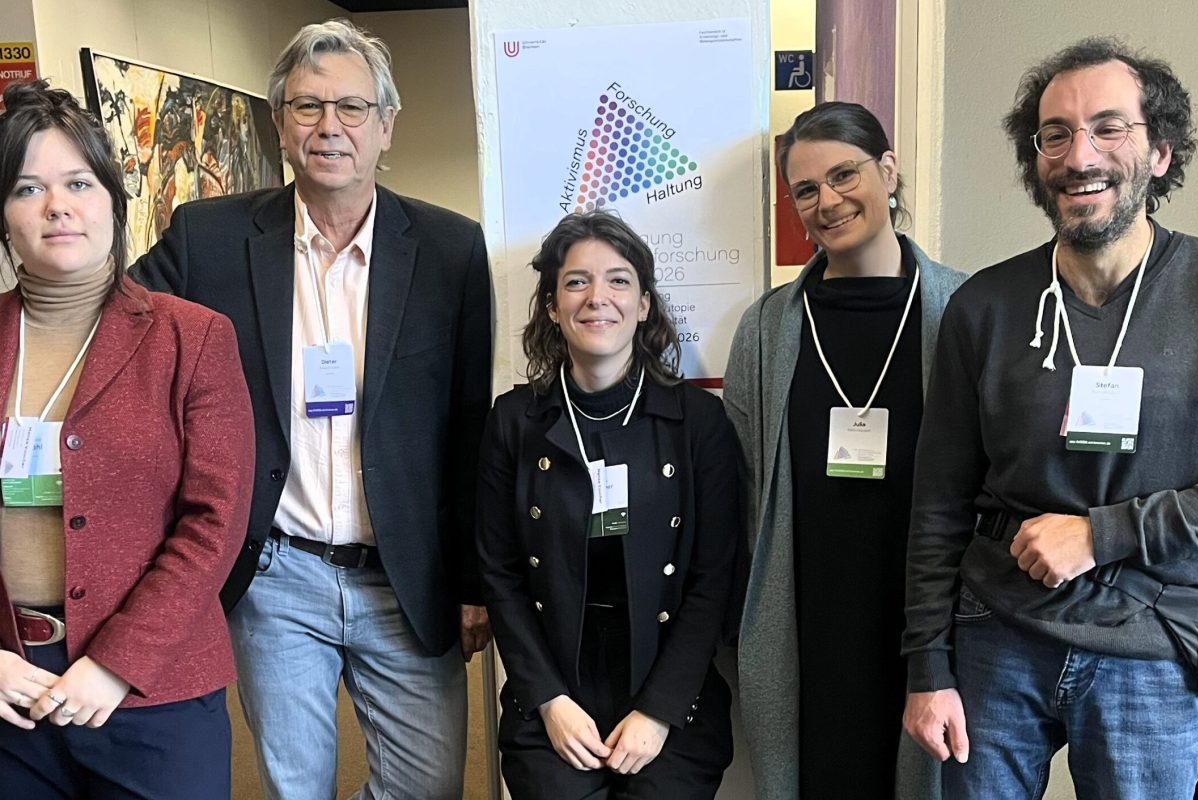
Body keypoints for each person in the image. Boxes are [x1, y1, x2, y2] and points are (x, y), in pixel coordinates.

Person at [130, 18, 493, 800]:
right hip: (276, 573)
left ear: (387, 125)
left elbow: (470, 423)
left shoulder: (450, 249)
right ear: (279, 124)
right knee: (296, 787)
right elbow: (116, 324)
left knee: (427, 787)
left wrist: (473, 578)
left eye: (352, 108)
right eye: (307, 107)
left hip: (406, 577)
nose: (330, 127)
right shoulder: (211, 238)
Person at [902, 38, 1198, 798]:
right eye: (1056, 134)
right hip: (996, 639)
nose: (1079, 155)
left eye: (1109, 128)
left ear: (1160, 153)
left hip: (1152, 649)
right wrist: (927, 667)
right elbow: (937, 502)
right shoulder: (985, 308)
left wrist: (1101, 535)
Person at [0, 80, 253, 798]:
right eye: (27, 188)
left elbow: (216, 522)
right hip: (9, 688)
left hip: (153, 693)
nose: (57, 206)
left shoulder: (192, 337)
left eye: (78, 182)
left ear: (114, 197)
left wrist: (115, 661)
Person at [725, 101, 966, 800]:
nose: (827, 201)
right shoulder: (767, 328)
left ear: (887, 172)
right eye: (806, 189)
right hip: (805, 615)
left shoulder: (965, 312)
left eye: (844, 174)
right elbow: (742, 484)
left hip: (926, 618)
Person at [477, 211, 738, 799]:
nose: (598, 298)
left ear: (645, 304)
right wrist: (547, 701)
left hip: (667, 679)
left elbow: (713, 578)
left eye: (619, 280)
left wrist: (660, 711)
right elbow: (501, 574)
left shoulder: (698, 423)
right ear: (551, 306)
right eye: (576, 282)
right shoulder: (514, 421)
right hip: (553, 679)